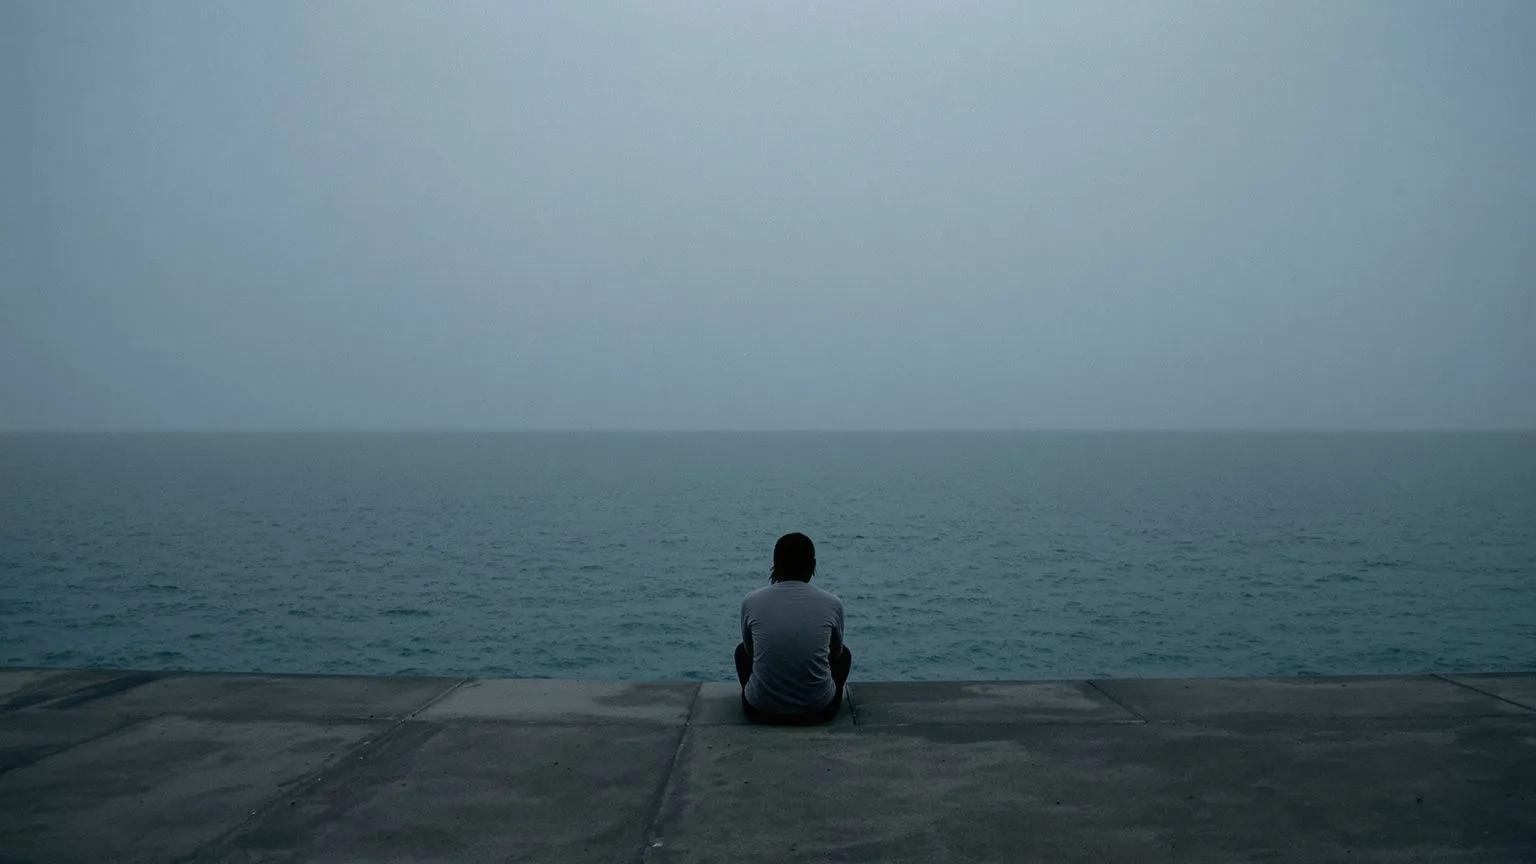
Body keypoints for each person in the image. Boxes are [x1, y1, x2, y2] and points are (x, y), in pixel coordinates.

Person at [735, 532, 852, 725]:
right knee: (844, 655)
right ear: (813, 565)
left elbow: (750, 651)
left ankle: (761, 693)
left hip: (760, 710)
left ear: (775, 563)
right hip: (819, 710)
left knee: (741, 652)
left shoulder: (751, 601)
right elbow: (836, 653)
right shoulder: (832, 603)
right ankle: (815, 693)